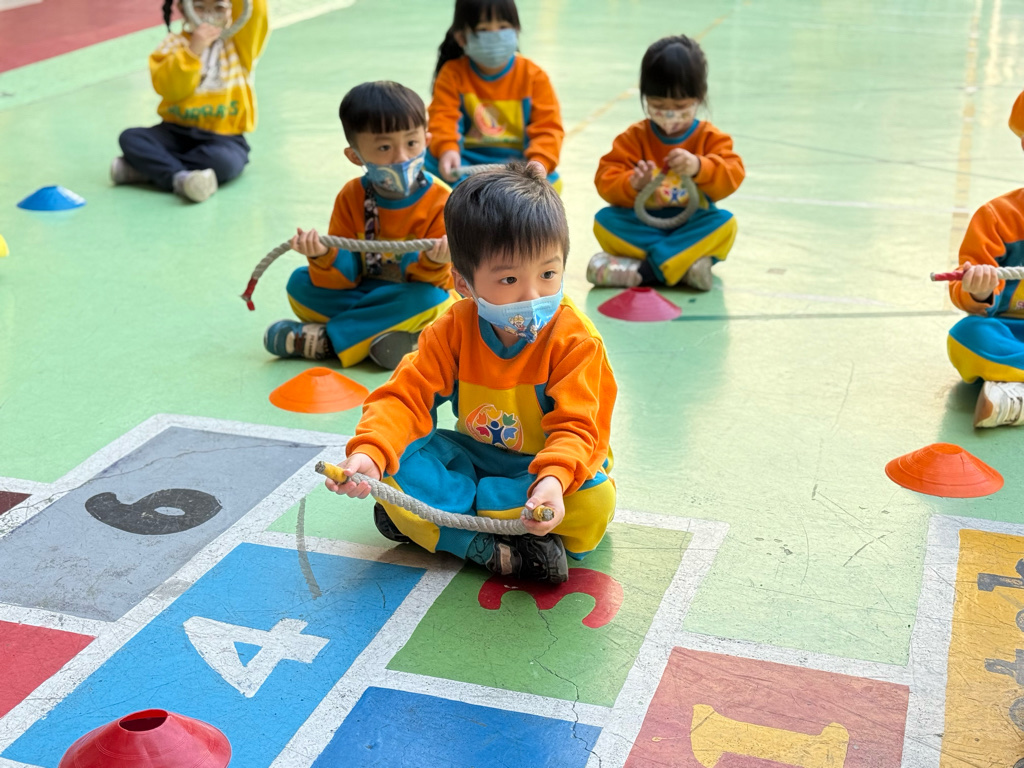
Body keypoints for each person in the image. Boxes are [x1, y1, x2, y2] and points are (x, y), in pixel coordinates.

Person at [326, 163, 617, 584]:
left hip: (544, 469)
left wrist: (554, 480)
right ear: (464, 284)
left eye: (548, 274)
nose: (533, 294)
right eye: (510, 279)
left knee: (594, 499)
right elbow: (404, 397)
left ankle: (434, 523)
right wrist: (369, 454)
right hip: (476, 459)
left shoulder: (576, 340)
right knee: (391, 461)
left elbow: (580, 427)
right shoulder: (452, 328)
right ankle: (482, 544)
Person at [264, 82, 455, 370]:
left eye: (411, 143)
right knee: (298, 284)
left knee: (432, 301)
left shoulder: (443, 201)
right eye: (384, 147)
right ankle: (397, 338)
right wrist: (322, 256)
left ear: (426, 141)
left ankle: (327, 342)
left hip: (412, 295)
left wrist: (435, 261)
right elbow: (346, 277)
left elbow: (444, 283)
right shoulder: (351, 196)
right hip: (368, 293)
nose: (402, 157)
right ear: (355, 156)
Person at [588, 34, 744, 291]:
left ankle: (645, 271)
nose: (670, 114)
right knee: (604, 221)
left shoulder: (709, 137)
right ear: (645, 97)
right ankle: (683, 266)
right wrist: (632, 184)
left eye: (680, 106)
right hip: (644, 223)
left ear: (699, 97)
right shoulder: (635, 137)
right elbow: (605, 180)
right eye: (658, 104)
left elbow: (732, 174)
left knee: (725, 225)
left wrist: (699, 167)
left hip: (691, 223)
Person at [112, 0, 268, 203]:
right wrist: (194, 49)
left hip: (222, 137)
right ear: (183, 8)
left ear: (232, 9)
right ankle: (182, 178)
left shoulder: (240, 43)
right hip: (175, 132)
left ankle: (149, 171)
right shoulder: (173, 44)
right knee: (131, 138)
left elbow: (257, 10)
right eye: (199, 7)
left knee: (224, 162)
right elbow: (171, 90)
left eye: (219, 8)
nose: (208, 16)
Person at [947, 91, 1024, 427]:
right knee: (967, 336)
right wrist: (979, 291)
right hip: (1011, 332)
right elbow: (965, 290)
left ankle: (1013, 392)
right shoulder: (997, 217)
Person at [426, 0, 562, 191]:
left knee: (551, 182)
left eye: (503, 26)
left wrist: (539, 161)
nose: (495, 35)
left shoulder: (533, 76)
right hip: (466, 164)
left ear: (516, 30)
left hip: (520, 166)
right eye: (483, 29)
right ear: (461, 37)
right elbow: (443, 118)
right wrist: (447, 149)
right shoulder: (452, 74)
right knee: (429, 163)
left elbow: (548, 128)